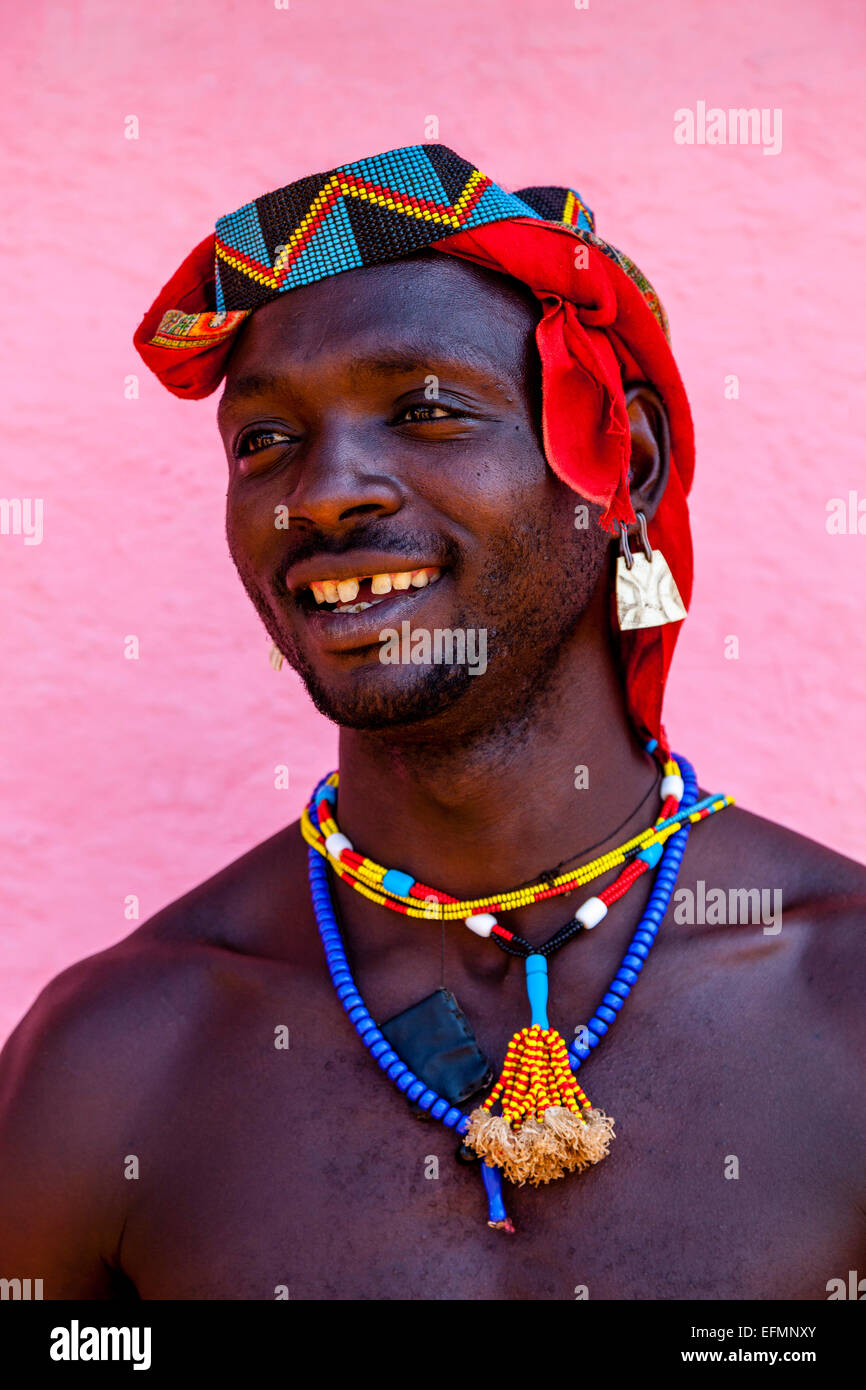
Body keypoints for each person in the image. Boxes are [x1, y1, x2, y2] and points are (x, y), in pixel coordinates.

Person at [0, 146, 863, 1301]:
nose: (320, 491)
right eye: (265, 441)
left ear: (626, 466)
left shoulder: (842, 997)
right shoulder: (116, 1054)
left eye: (424, 410)